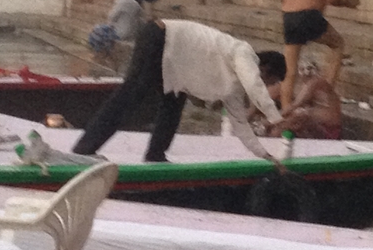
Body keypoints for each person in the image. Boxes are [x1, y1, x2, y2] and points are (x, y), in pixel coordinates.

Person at [72, 20, 286, 164]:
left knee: (173, 106)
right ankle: (85, 149)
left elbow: (240, 125)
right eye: (270, 81)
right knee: (129, 96)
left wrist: (265, 155)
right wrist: (275, 118)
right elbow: (254, 84)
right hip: (160, 38)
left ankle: (155, 155)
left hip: (173, 64)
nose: (266, 85)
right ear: (265, 69)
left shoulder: (234, 86)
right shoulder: (243, 52)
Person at [281, 0, 360, 110]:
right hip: (308, 14)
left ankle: (285, 111)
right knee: (338, 44)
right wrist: (350, 3)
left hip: (288, 15)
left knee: (290, 71)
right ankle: (325, 93)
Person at [272, 59, 342, 140]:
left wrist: (272, 120)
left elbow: (295, 105)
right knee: (294, 118)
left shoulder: (315, 82)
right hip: (323, 125)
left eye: (308, 69)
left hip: (328, 127)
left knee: (298, 115)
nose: (306, 72)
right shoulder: (310, 85)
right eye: (302, 69)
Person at [87, 0, 143, 67]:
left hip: (120, 32)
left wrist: (109, 25)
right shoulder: (136, 3)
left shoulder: (121, 1)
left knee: (96, 31)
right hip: (132, 32)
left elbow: (112, 17)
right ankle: (103, 53)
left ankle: (100, 53)